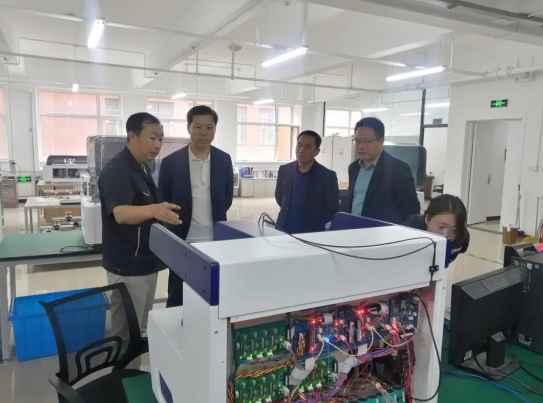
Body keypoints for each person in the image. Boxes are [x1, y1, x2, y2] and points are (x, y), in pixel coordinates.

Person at [98, 112, 182, 334]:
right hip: (128, 264)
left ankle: (138, 356)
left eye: (161, 139)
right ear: (132, 136)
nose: (158, 145)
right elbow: (121, 213)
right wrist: (155, 209)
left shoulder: (143, 167)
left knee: (141, 327)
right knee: (127, 330)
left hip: (145, 260)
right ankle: (125, 358)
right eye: (152, 138)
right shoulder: (117, 170)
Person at [159, 105, 233, 307]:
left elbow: (227, 198)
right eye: (198, 126)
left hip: (214, 237)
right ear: (188, 128)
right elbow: (164, 198)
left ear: (215, 129)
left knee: (212, 289)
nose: (204, 132)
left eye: (209, 127)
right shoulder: (171, 162)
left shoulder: (223, 159)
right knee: (178, 291)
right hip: (182, 237)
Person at [348, 117, 420, 224]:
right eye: (358, 141)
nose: (361, 147)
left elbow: (412, 210)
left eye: (367, 141)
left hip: (382, 232)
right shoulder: (353, 168)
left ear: (381, 141)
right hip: (353, 228)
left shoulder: (398, 169)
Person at [275, 131, 339, 234]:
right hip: (283, 229)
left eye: (307, 147)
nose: (301, 151)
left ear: (317, 151)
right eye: (299, 145)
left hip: (311, 233)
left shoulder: (327, 176)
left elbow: (332, 209)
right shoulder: (284, 170)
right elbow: (279, 198)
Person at [403, 194, 470, 262]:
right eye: (441, 227)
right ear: (427, 219)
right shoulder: (408, 232)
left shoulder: (461, 238)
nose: (446, 235)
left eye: (454, 230)